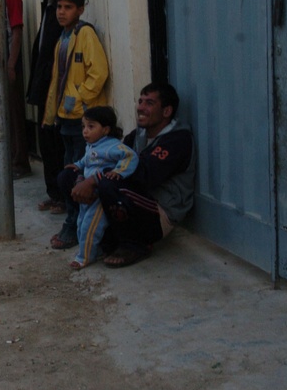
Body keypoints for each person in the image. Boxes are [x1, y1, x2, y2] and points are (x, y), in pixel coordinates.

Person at [70, 83, 196, 268]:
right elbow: (111, 160)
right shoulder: (139, 134)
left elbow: (145, 176)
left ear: (167, 111)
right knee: (71, 175)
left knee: (108, 183)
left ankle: (136, 245)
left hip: (161, 212)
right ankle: (96, 235)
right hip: (138, 199)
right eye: (140, 101)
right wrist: (82, 178)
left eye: (149, 103)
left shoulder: (178, 139)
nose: (140, 108)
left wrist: (94, 180)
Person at [42, 0, 110, 251]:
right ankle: (75, 224)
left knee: (79, 176)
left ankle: (74, 227)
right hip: (66, 119)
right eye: (59, 7)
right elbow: (57, 82)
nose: (61, 12)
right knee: (70, 173)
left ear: (80, 9)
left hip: (83, 119)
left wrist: (80, 99)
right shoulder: (63, 38)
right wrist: (52, 114)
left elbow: (99, 73)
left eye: (68, 7)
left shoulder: (85, 34)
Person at [57, 106, 137, 270]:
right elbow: (86, 161)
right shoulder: (92, 145)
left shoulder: (112, 146)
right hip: (88, 197)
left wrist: (119, 172)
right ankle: (94, 250)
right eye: (83, 127)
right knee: (81, 223)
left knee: (90, 226)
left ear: (106, 129)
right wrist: (77, 165)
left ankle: (84, 258)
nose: (85, 131)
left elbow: (130, 156)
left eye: (91, 126)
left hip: (100, 198)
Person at [26, 0, 67, 213]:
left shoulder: (63, 3)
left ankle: (63, 196)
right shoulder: (49, 3)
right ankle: (55, 193)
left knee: (57, 144)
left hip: (59, 89)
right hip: (45, 87)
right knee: (47, 143)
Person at [4, 0, 32, 178]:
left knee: (14, 113)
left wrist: (11, 64)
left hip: (8, 64)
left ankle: (20, 162)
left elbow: (17, 31)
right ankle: (12, 158)